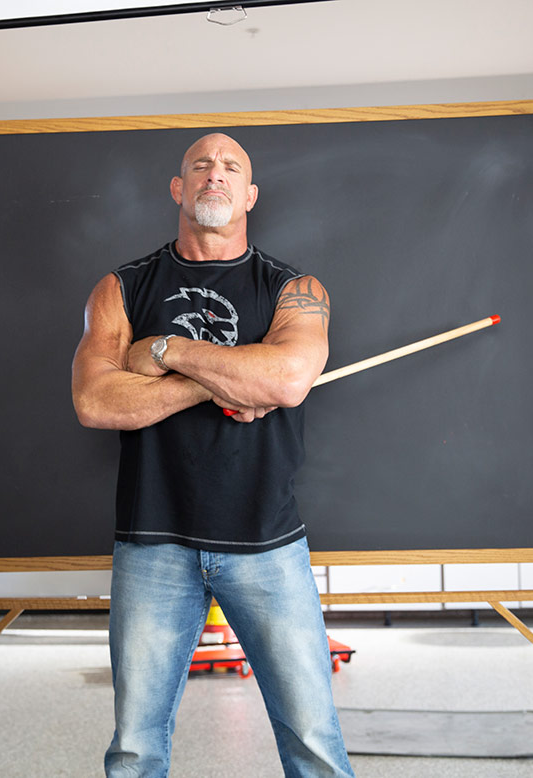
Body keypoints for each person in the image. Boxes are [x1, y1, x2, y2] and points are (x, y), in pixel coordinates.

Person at [70, 132, 354, 777]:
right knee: (135, 748)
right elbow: (95, 402)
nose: (215, 175)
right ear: (179, 187)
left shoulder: (294, 287)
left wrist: (165, 353)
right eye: (201, 165)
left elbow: (285, 381)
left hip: (265, 541)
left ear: (250, 193)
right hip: (152, 542)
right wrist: (225, 381)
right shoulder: (121, 288)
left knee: (314, 739)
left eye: (231, 167)